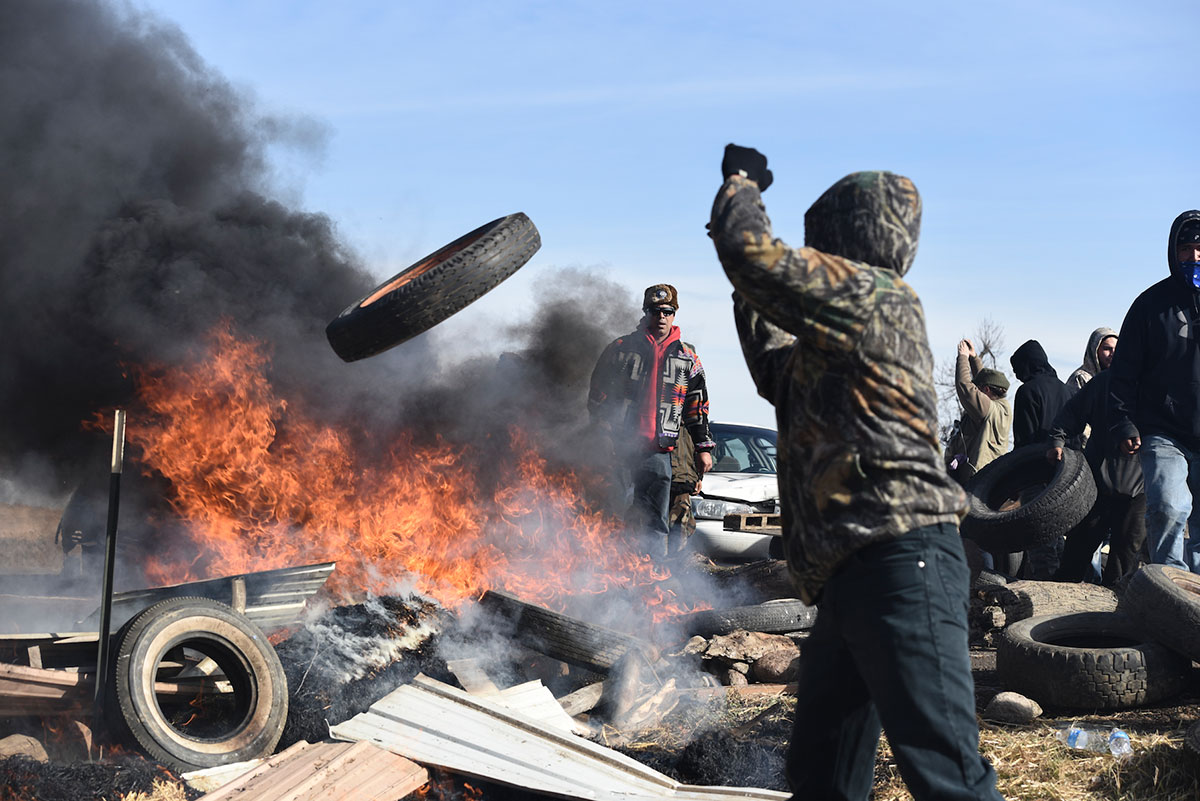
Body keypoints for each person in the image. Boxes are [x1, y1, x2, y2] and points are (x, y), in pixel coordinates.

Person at [709, 144, 1002, 801]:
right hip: (852, 579)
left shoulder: (879, 298)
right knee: (824, 780)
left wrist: (743, 185)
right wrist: (750, 278)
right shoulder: (833, 342)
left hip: (902, 562)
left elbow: (754, 258)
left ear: (849, 235)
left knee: (949, 778)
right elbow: (770, 359)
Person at [588, 284, 714, 557]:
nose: (661, 317)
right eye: (655, 311)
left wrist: (703, 448)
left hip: (662, 449)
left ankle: (653, 572)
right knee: (616, 510)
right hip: (622, 447)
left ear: (674, 314)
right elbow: (598, 395)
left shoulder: (687, 356)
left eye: (667, 311)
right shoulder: (621, 349)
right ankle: (612, 567)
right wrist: (603, 432)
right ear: (646, 313)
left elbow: (697, 406)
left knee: (659, 518)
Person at [1110, 211, 1200, 574]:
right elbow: (1123, 372)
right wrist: (1123, 423)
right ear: (1172, 252)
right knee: (1168, 507)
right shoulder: (1149, 305)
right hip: (1164, 431)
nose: (1194, 256)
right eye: (1186, 249)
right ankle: (1171, 593)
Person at [1048, 335, 1146, 586]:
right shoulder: (1101, 383)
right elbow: (1069, 416)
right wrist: (1057, 442)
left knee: (1123, 565)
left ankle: (1115, 616)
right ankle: (1056, 608)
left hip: (1139, 489)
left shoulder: (1156, 384)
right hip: (1097, 484)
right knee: (1075, 558)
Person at [945, 339, 1012, 485]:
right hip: (989, 478)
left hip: (975, 481)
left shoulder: (987, 408)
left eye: (979, 388)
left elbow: (965, 387)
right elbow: (986, 379)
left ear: (986, 390)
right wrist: (974, 358)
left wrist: (962, 357)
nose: (977, 391)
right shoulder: (1003, 407)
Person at [1009, 339, 1070, 449]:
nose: (1017, 377)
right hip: (1066, 460)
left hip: (1036, 460)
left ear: (1025, 366)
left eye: (1017, 370)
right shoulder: (1067, 390)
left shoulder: (1027, 391)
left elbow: (1024, 439)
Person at [1066, 327, 1118, 396]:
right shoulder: (1081, 378)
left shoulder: (1118, 379)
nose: (1112, 354)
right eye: (1107, 349)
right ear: (1095, 350)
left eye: (1116, 349)